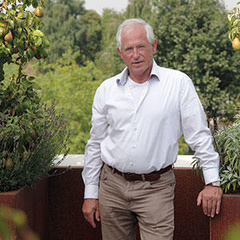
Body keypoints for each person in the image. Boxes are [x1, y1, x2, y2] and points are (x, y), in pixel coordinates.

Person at [82, 18, 223, 240]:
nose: (135, 54)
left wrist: (212, 182)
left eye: (141, 46)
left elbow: (199, 136)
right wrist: (90, 193)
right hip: (112, 189)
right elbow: (95, 143)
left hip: (156, 189)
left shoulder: (178, 84)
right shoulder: (106, 90)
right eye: (129, 49)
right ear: (121, 52)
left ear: (153, 46)